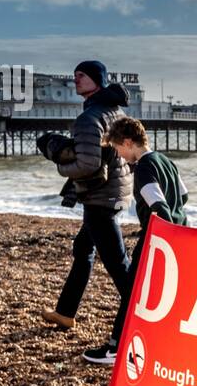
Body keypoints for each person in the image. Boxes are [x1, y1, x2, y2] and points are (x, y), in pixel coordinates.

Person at [81, 115, 188, 365]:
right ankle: (158, 343)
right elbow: (183, 196)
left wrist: (162, 229)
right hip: (177, 237)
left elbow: (158, 205)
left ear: (128, 142)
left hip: (156, 239)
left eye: (118, 148)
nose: (119, 155)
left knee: (132, 292)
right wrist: (178, 228)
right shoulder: (167, 161)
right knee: (154, 294)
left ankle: (116, 349)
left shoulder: (144, 167)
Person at [38, 61, 134, 331]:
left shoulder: (89, 119)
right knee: (83, 249)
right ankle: (65, 312)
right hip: (115, 193)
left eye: (82, 76)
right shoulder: (116, 113)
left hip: (99, 199)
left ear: (97, 81)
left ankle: (141, 317)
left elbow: (88, 165)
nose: (76, 80)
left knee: (119, 265)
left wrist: (59, 165)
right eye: (75, 76)